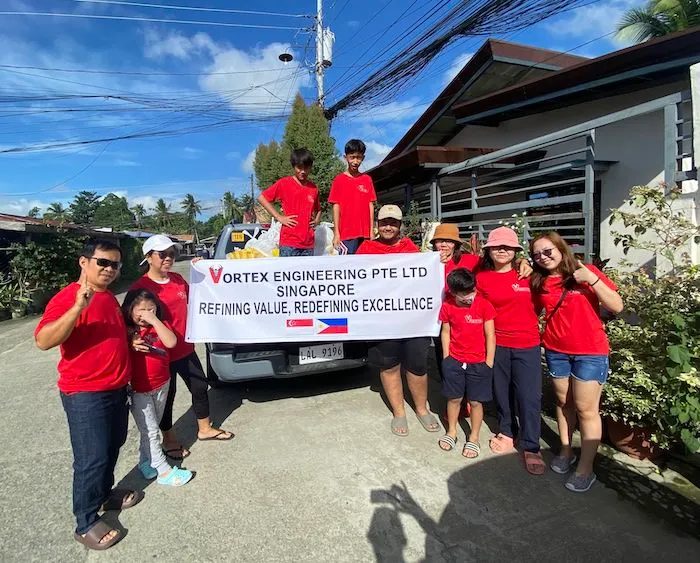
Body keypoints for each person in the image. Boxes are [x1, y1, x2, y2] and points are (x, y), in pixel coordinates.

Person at [34, 239, 142, 551]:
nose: (109, 269)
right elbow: (43, 340)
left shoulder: (108, 297)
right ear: (84, 262)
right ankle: (85, 521)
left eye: (115, 264)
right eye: (103, 263)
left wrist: (129, 338)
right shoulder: (68, 297)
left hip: (116, 388)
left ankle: (105, 494)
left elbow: (109, 331)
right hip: (85, 394)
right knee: (91, 459)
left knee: (112, 447)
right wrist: (77, 307)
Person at [530, 232, 623, 492]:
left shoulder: (586, 271)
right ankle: (566, 450)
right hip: (556, 350)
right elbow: (531, 311)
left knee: (586, 409)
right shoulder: (539, 282)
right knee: (563, 402)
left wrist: (592, 280)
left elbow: (617, 305)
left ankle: (586, 468)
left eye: (548, 251)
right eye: (537, 254)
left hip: (590, 352)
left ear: (561, 249)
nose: (543, 257)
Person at [131, 234, 233, 462]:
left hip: (185, 348)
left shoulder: (177, 280)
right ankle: (169, 438)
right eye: (162, 254)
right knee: (168, 397)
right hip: (159, 354)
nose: (169, 258)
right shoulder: (140, 288)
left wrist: (202, 270)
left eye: (172, 253)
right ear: (148, 257)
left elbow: (201, 296)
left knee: (199, 386)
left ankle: (205, 429)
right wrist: (132, 339)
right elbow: (128, 321)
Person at [357, 204, 440, 435]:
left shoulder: (411, 248)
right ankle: (399, 412)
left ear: (400, 226)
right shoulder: (365, 248)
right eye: (384, 222)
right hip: (381, 321)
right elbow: (353, 282)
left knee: (417, 366)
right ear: (377, 225)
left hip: (413, 321)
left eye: (393, 222)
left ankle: (422, 409)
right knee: (389, 365)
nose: (388, 227)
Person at [476, 227, 545, 475]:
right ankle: (506, 430)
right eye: (496, 246)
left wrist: (527, 263)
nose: (502, 250)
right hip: (497, 343)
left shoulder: (532, 275)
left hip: (527, 343)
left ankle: (531, 445)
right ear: (489, 250)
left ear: (517, 250)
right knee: (501, 392)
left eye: (507, 246)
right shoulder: (482, 278)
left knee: (529, 396)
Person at [122, 289, 194, 486]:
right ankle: (163, 471)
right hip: (139, 391)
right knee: (151, 431)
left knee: (150, 429)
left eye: (150, 309)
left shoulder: (160, 326)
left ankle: (145, 462)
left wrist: (154, 320)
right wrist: (130, 341)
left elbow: (171, 342)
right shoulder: (126, 332)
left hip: (162, 384)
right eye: (141, 310)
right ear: (130, 309)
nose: (145, 314)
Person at [438, 268, 496, 459]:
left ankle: (474, 437)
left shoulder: (484, 305)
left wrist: (488, 362)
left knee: (476, 401)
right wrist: (447, 358)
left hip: (478, 363)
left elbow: (490, 334)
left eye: (472, 291)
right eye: (464, 294)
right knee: (454, 399)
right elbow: (445, 332)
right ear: (453, 292)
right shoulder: (447, 306)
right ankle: (452, 431)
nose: (470, 296)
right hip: (454, 361)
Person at [258, 148, 321, 257]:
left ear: (310, 167)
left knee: (306, 274)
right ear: (293, 166)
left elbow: (318, 209)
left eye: (306, 168)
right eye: (299, 167)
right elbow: (262, 198)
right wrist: (279, 217)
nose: (303, 171)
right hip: (289, 243)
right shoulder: (284, 183)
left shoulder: (313, 188)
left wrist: (317, 220)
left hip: (308, 243)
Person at [329, 139, 377, 254]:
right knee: (347, 267)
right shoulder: (339, 180)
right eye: (352, 157)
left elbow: (371, 205)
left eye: (359, 157)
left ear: (363, 158)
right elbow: (336, 206)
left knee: (365, 267)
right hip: (346, 234)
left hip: (365, 234)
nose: (355, 161)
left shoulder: (367, 179)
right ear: (346, 157)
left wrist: (371, 231)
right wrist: (336, 233)